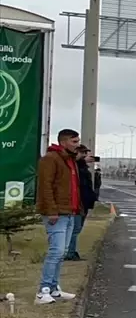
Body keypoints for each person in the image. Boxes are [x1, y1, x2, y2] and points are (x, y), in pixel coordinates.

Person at [34, 129, 83, 305]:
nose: (77, 145)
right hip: (57, 213)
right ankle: (43, 291)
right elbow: (45, 186)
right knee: (56, 251)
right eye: (74, 142)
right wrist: (52, 210)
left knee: (61, 253)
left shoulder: (69, 160)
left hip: (70, 212)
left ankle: (54, 288)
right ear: (63, 142)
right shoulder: (51, 159)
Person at [64, 146, 98, 262]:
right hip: (78, 202)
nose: (85, 155)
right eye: (83, 153)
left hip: (83, 202)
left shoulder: (81, 167)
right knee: (74, 228)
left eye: (85, 153)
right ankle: (70, 252)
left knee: (76, 228)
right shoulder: (75, 166)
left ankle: (71, 251)